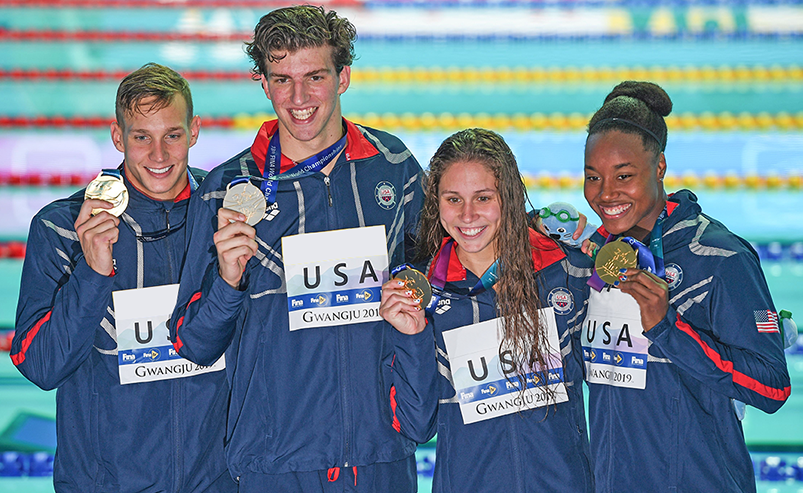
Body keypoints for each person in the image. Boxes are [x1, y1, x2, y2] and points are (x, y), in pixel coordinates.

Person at [168, 6, 424, 491]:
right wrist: (226, 280)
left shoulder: (393, 167)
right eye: (282, 79)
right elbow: (192, 344)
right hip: (274, 462)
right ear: (262, 83)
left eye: (314, 77)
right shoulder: (227, 189)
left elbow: (441, 282)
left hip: (379, 458)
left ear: (343, 76)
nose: (299, 97)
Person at [11, 63, 235, 492]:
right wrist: (94, 273)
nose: (159, 155)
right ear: (118, 137)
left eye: (172, 135)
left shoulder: (225, 218)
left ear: (195, 131)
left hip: (217, 482)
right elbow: (41, 366)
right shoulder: (62, 228)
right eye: (141, 137)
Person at [580, 81, 791, 492]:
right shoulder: (598, 259)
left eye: (624, 175)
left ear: (659, 167)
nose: (606, 194)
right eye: (593, 177)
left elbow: (773, 385)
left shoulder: (720, 258)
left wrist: (669, 329)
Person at [380, 128, 595, 492]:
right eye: (453, 199)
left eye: (482, 198)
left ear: (507, 198)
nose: (468, 215)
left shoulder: (566, 272)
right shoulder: (424, 296)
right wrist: (413, 337)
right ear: (436, 202)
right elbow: (417, 426)